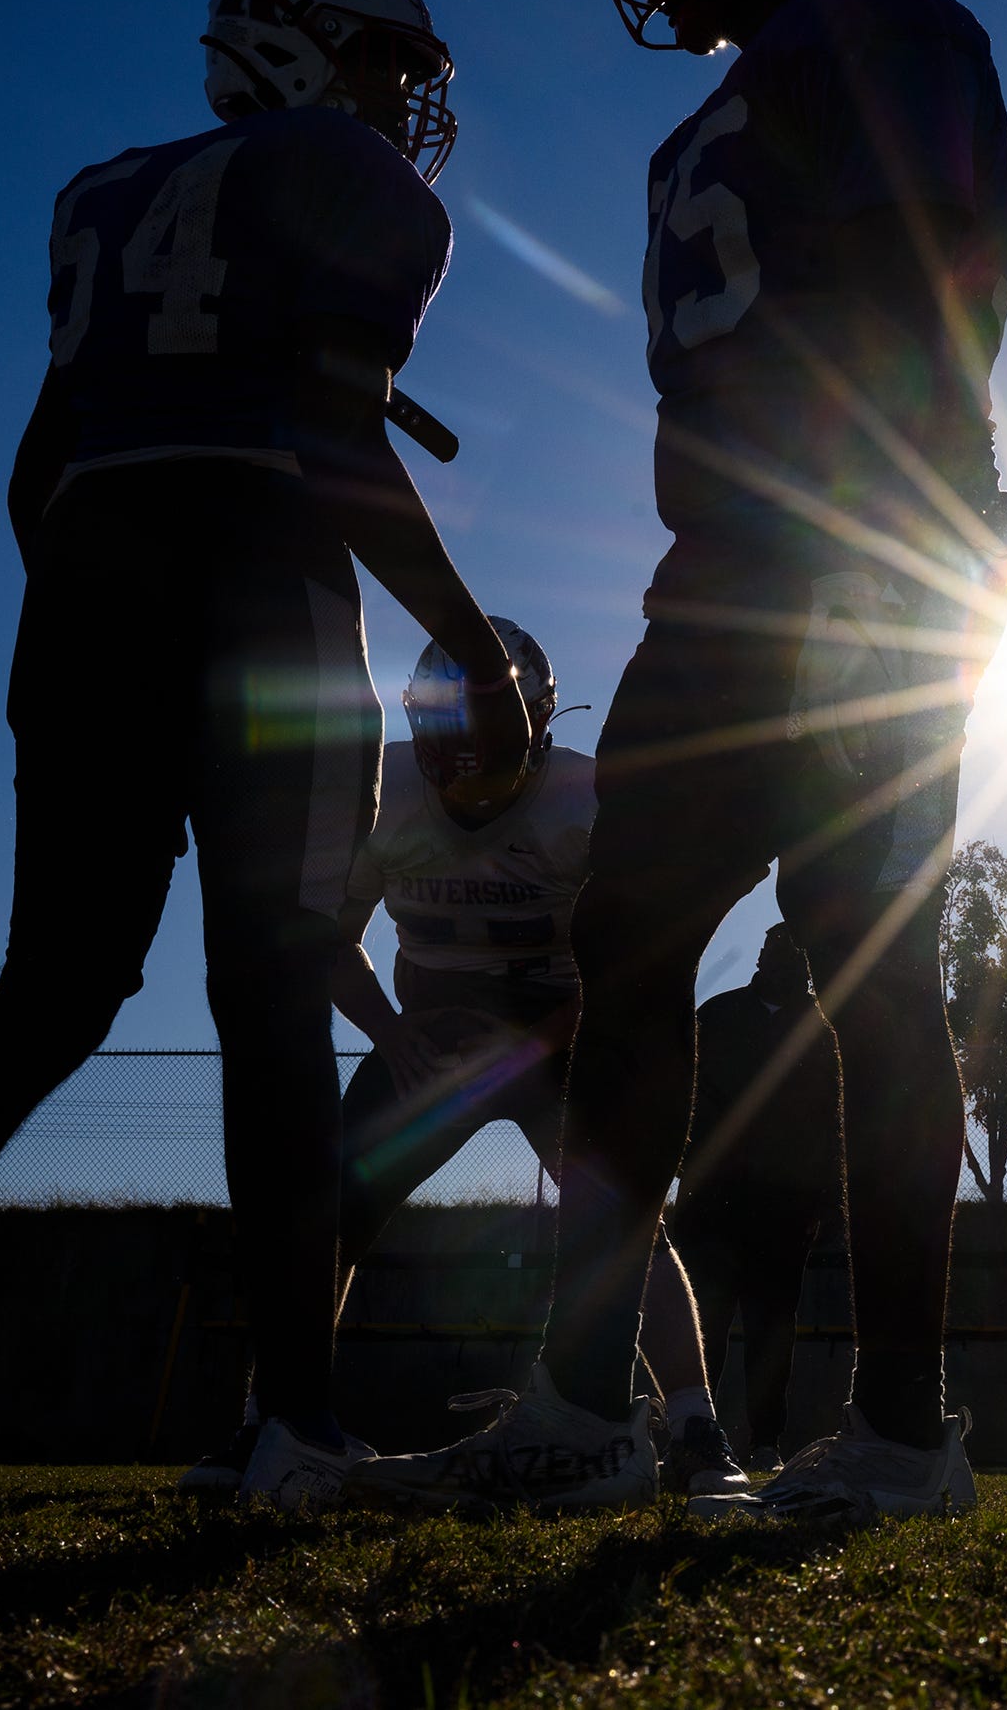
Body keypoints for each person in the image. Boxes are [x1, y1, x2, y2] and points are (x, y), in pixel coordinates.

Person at [0, 0, 529, 1515]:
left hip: (85, 597)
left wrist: (104, 632)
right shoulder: (356, 183)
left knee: (49, 988)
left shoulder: (101, 191)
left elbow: (40, 468)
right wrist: (467, 644)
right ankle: (293, 1419)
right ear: (302, 48)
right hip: (258, 587)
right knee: (273, 1002)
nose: (397, 101)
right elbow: (327, 425)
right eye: (381, 62)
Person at [354, 0, 1007, 1520]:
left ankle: (900, 1427)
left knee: (871, 964)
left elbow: (939, 277)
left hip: (861, 548)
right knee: (627, 945)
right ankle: (585, 1402)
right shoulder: (713, 120)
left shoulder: (884, 27)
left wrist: (904, 538)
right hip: (715, 578)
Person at [179, 620, 746, 1500]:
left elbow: (636, 961)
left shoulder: (584, 803)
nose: (474, 782)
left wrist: (531, 1042)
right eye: (455, 754)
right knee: (332, 1203)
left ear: (539, 730)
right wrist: (393, 1032)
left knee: (623, 1218)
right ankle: (278, 1419)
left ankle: (699, 1429)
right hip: (433, 1030)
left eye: (492, 754)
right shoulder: (384, 788)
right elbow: (328, 939)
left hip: (565, 1018)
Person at [670, 924, 842, 1471]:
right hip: (713, 1199)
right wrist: (684, 1172)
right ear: (761, 955)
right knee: (706, 1324)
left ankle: (765, 1441)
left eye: (792, 953)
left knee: (771, 1328)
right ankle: (693, 1434)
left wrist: (827, 1198)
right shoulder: (716, 1018)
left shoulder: (825, 1031)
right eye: (772, 949)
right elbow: (680, 1099)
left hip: (784, 1206)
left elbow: (835, 1122)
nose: (780, 961)